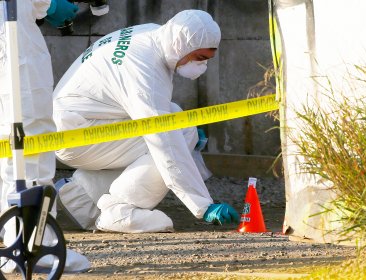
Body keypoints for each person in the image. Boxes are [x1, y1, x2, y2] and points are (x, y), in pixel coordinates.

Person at [53, 9, 240, 233]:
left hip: (75, 125)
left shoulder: (152, 36)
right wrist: (202, 205)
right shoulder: (146, 71)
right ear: (182, 46)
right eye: (199, 58)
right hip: (80, 136)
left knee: (176, 120)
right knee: (177, 134)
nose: (202, 66)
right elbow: (164, 143)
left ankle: (81, 197)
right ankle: (119, 211)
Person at [0, 0, 90, 273]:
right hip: (14, 46)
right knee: (30, 140)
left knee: (10, 145)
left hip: (13, 36)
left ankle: (13, 237)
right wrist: (49, 2)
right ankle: (37, 245)